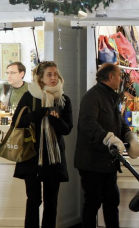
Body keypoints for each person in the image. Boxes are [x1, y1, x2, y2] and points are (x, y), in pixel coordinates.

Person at [75, 63, 139, 228]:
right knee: (92, 204)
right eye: (119, 75)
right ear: (111, 77)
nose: (121, 79)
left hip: (108, 162)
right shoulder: (92, 97)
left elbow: (118, 122)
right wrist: (108, 138)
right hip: (92, 162)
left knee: (112, 202)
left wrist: (129, 136)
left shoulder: (111, 97)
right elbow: (87, 123)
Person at [12, 61, 73, 228]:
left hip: (53, 157)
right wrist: (39, 113)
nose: (54, 78)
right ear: (40, 78)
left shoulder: (63, 99)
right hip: (31, 155)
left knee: (51, 203)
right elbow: (17, 123)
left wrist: (54, 118)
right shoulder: (29, 97)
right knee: (33, 199)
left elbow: (67, 129)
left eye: (55, 74)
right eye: (49, 74)